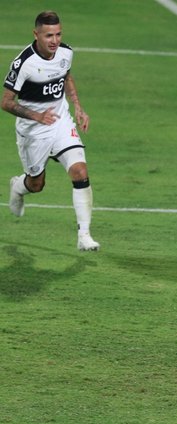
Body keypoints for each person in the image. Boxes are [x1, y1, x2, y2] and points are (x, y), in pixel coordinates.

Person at [2, 11, 99, 251]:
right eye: (48, 36)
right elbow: (6, 101)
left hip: (61, 122)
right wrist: (37, 116)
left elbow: (65, 75)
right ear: (36, 35)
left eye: (58, 34)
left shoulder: (65, 52)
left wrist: (78, 106)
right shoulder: (24, 63)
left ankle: (84, 235)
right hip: (33, 131)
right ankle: (17, 186)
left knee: (80, 171)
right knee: (36, 184)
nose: (54, 40)